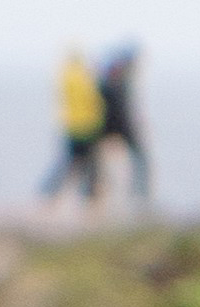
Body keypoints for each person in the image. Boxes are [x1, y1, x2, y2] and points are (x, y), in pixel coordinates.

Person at [40, 48, 107, 204]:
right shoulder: (84, 77)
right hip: (87, 126)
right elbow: (93, 101)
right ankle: (88, 196)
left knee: (69, 162)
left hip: (71, 125)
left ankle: (48, 191)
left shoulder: (65, 76)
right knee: (89, 164)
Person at [93, 44, 150, 207]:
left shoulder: (116, 82)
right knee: (97, 163)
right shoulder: (112, 84)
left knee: (138, 160)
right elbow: (120, 109)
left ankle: (138, 195)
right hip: (115, 127)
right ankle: (95, 194)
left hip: (113, 127)